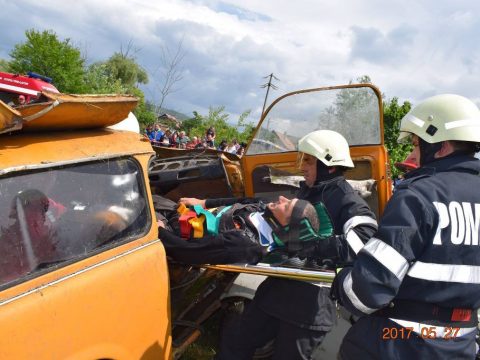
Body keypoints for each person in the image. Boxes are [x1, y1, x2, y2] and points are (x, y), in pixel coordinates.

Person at [182, 130, 378, 359]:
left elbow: (364, 241)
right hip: (277, 290)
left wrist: (308, 245)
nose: (302, 166)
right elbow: (257, 203)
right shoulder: (309, 189)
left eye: (309, 161)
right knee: (235, 343)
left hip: (309, 307)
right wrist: (205, 203)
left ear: (330, 166)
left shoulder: (347, 200)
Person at [331, 94, 480, 359]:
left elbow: (366, 293)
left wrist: (342, 278)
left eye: (415, 145)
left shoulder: (419, 195)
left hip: (400, 339)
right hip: (461, 342)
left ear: (441, 146)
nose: (412, 155)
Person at [158, 195, 321, 266]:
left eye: (287, 205)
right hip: (180, 213)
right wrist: (202, 202)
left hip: (170, 232)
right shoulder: (260, 206)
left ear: (287, 225)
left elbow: (189, 253)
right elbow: (238, 200)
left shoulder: (245, 245)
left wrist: (160, 232)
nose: (281, 199)